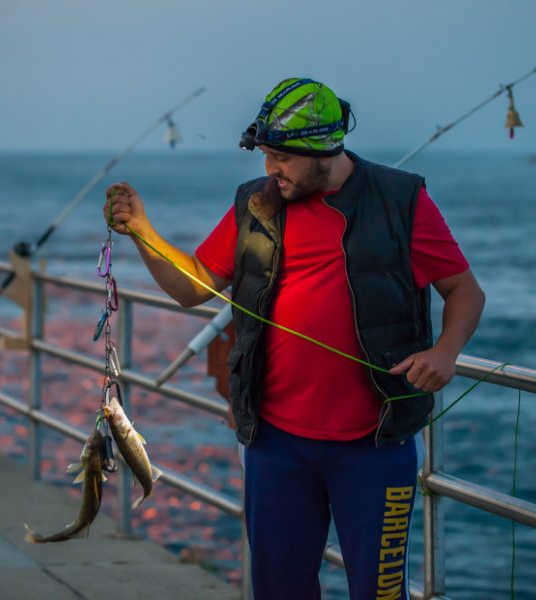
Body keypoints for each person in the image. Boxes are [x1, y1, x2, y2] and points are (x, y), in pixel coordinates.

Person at [104, 77, 485, 600]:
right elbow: (191, 288)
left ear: (323, 149)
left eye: (281, 157)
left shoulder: (401, 201)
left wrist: (445, 353)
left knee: (379, 594)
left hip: (374, 449)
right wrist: (143, 232)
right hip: (276, 447)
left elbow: (465, 291)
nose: (270, 169)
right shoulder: (256, 206)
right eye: (265, 155)